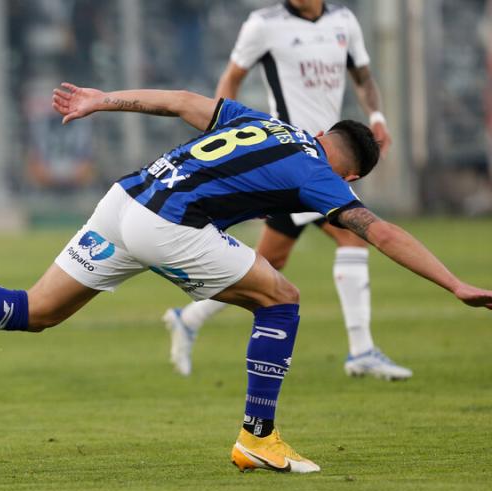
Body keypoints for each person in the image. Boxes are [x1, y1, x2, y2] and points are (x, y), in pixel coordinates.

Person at [0, 83, 492, 474]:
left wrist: (103, 101)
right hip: (167, 224)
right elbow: (381, 231)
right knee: (283, 299)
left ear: (319, 131)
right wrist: (455, 284)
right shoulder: (321, 175)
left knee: (40, 309)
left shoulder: (263, 122)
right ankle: (258, 438)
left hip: (125, 198)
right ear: (348, 173)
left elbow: (180, 101)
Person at [162, 0, 407, 380]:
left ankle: (189, 318)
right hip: (289, 162)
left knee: (271, 261)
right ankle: (361, 351)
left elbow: (362, 77)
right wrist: (224, 137)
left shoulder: (344, 20)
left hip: (326, 160)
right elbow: (231, 78)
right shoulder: (263, 24)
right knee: (353, 237)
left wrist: (376, 117)